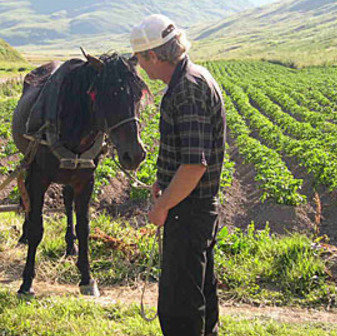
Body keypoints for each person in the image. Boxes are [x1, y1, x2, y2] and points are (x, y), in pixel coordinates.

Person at [130, 14, 226, 336]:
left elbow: (194, 165)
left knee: (179, 306)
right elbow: (189, 157)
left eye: (141, 60)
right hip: (194, 207)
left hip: (189, 211)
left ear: (154, 56)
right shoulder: (195, 78)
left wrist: (161, 206)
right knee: (199, 292)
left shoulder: (187, 90)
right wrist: (165, 181)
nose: (142, 68)